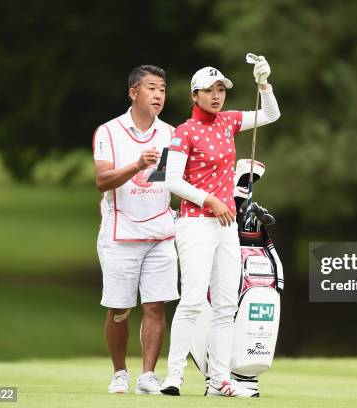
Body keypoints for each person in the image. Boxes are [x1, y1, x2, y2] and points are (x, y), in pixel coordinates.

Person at [160, 57, 280, 397]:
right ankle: (174, 377)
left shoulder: (228, 122)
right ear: (194, 95)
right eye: (209, 91)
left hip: (225, 227)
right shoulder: (185, 132)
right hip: (196, 224)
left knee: (226, 304)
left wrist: (264, 84)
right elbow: (172, 181)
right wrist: (209, 199)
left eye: (221, 90)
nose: (217, 96)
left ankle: (219, 381)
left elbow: (270, 115)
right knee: (194, 300)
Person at [92, 65, 178, 395]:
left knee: (156, 305)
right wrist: (137, 165)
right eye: (151, 88)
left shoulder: (171, 133)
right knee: (119, 309)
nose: (158, 95)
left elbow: (169, 180)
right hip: (119, 233)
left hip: (160, 233)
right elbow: (103, 180)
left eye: (162, 90)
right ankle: (119, 373)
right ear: (133, 93)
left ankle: (147, 376)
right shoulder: (109, 132)